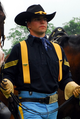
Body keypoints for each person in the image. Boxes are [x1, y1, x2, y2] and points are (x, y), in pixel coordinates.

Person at [0, 4, 80, 119]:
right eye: (38, 19)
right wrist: (8, 82)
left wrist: (72, 85)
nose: (43, 22)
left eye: (45, 19)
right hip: (29, 107)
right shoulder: (19, 48)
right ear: (28, 25)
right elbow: (8, 74)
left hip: (53, 108)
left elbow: (65, 76)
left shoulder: (58, 50)